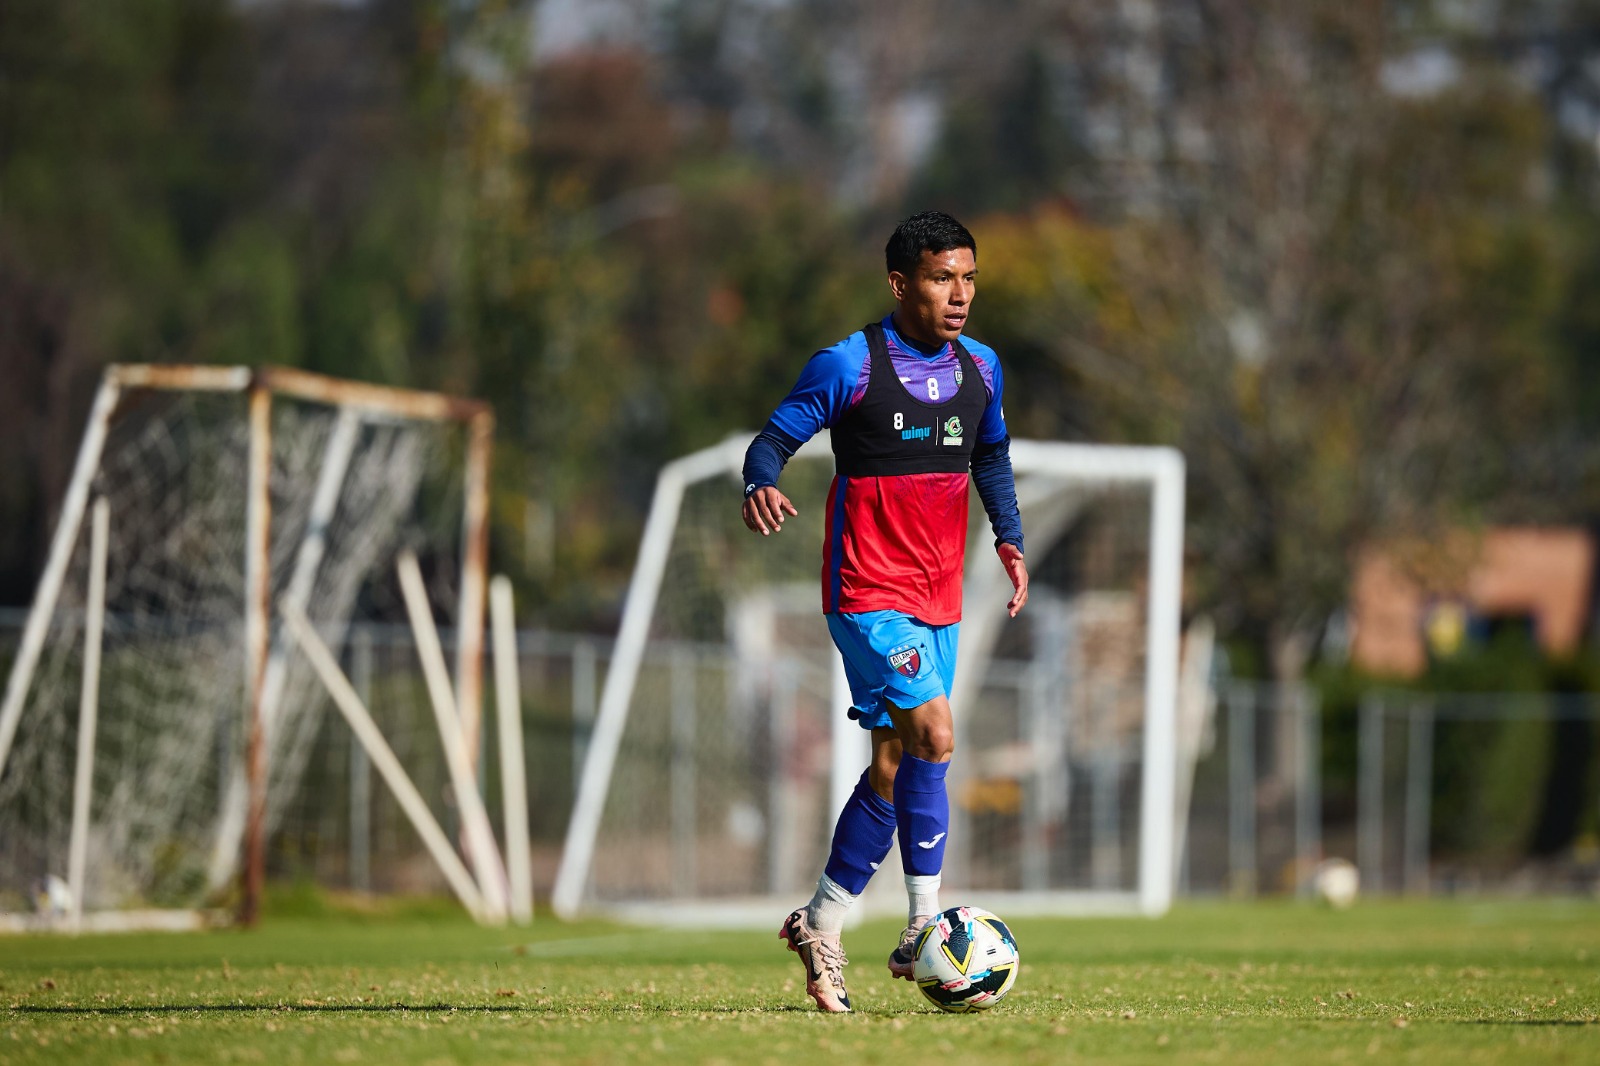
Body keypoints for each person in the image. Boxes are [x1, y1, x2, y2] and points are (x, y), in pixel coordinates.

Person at [741, 210, 1028, 1013]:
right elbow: (772, 441)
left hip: (939, 597)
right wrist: (759, 481)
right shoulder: (850, 366)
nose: (960, 294)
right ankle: (924, 925)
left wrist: (1008, 538)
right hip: (866, 595)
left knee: (897, 764)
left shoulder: (983, 368)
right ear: (901, 284)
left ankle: (822, 923)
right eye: (942, 278)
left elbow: (992, 455)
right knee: (937, 731)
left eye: (969, 277)